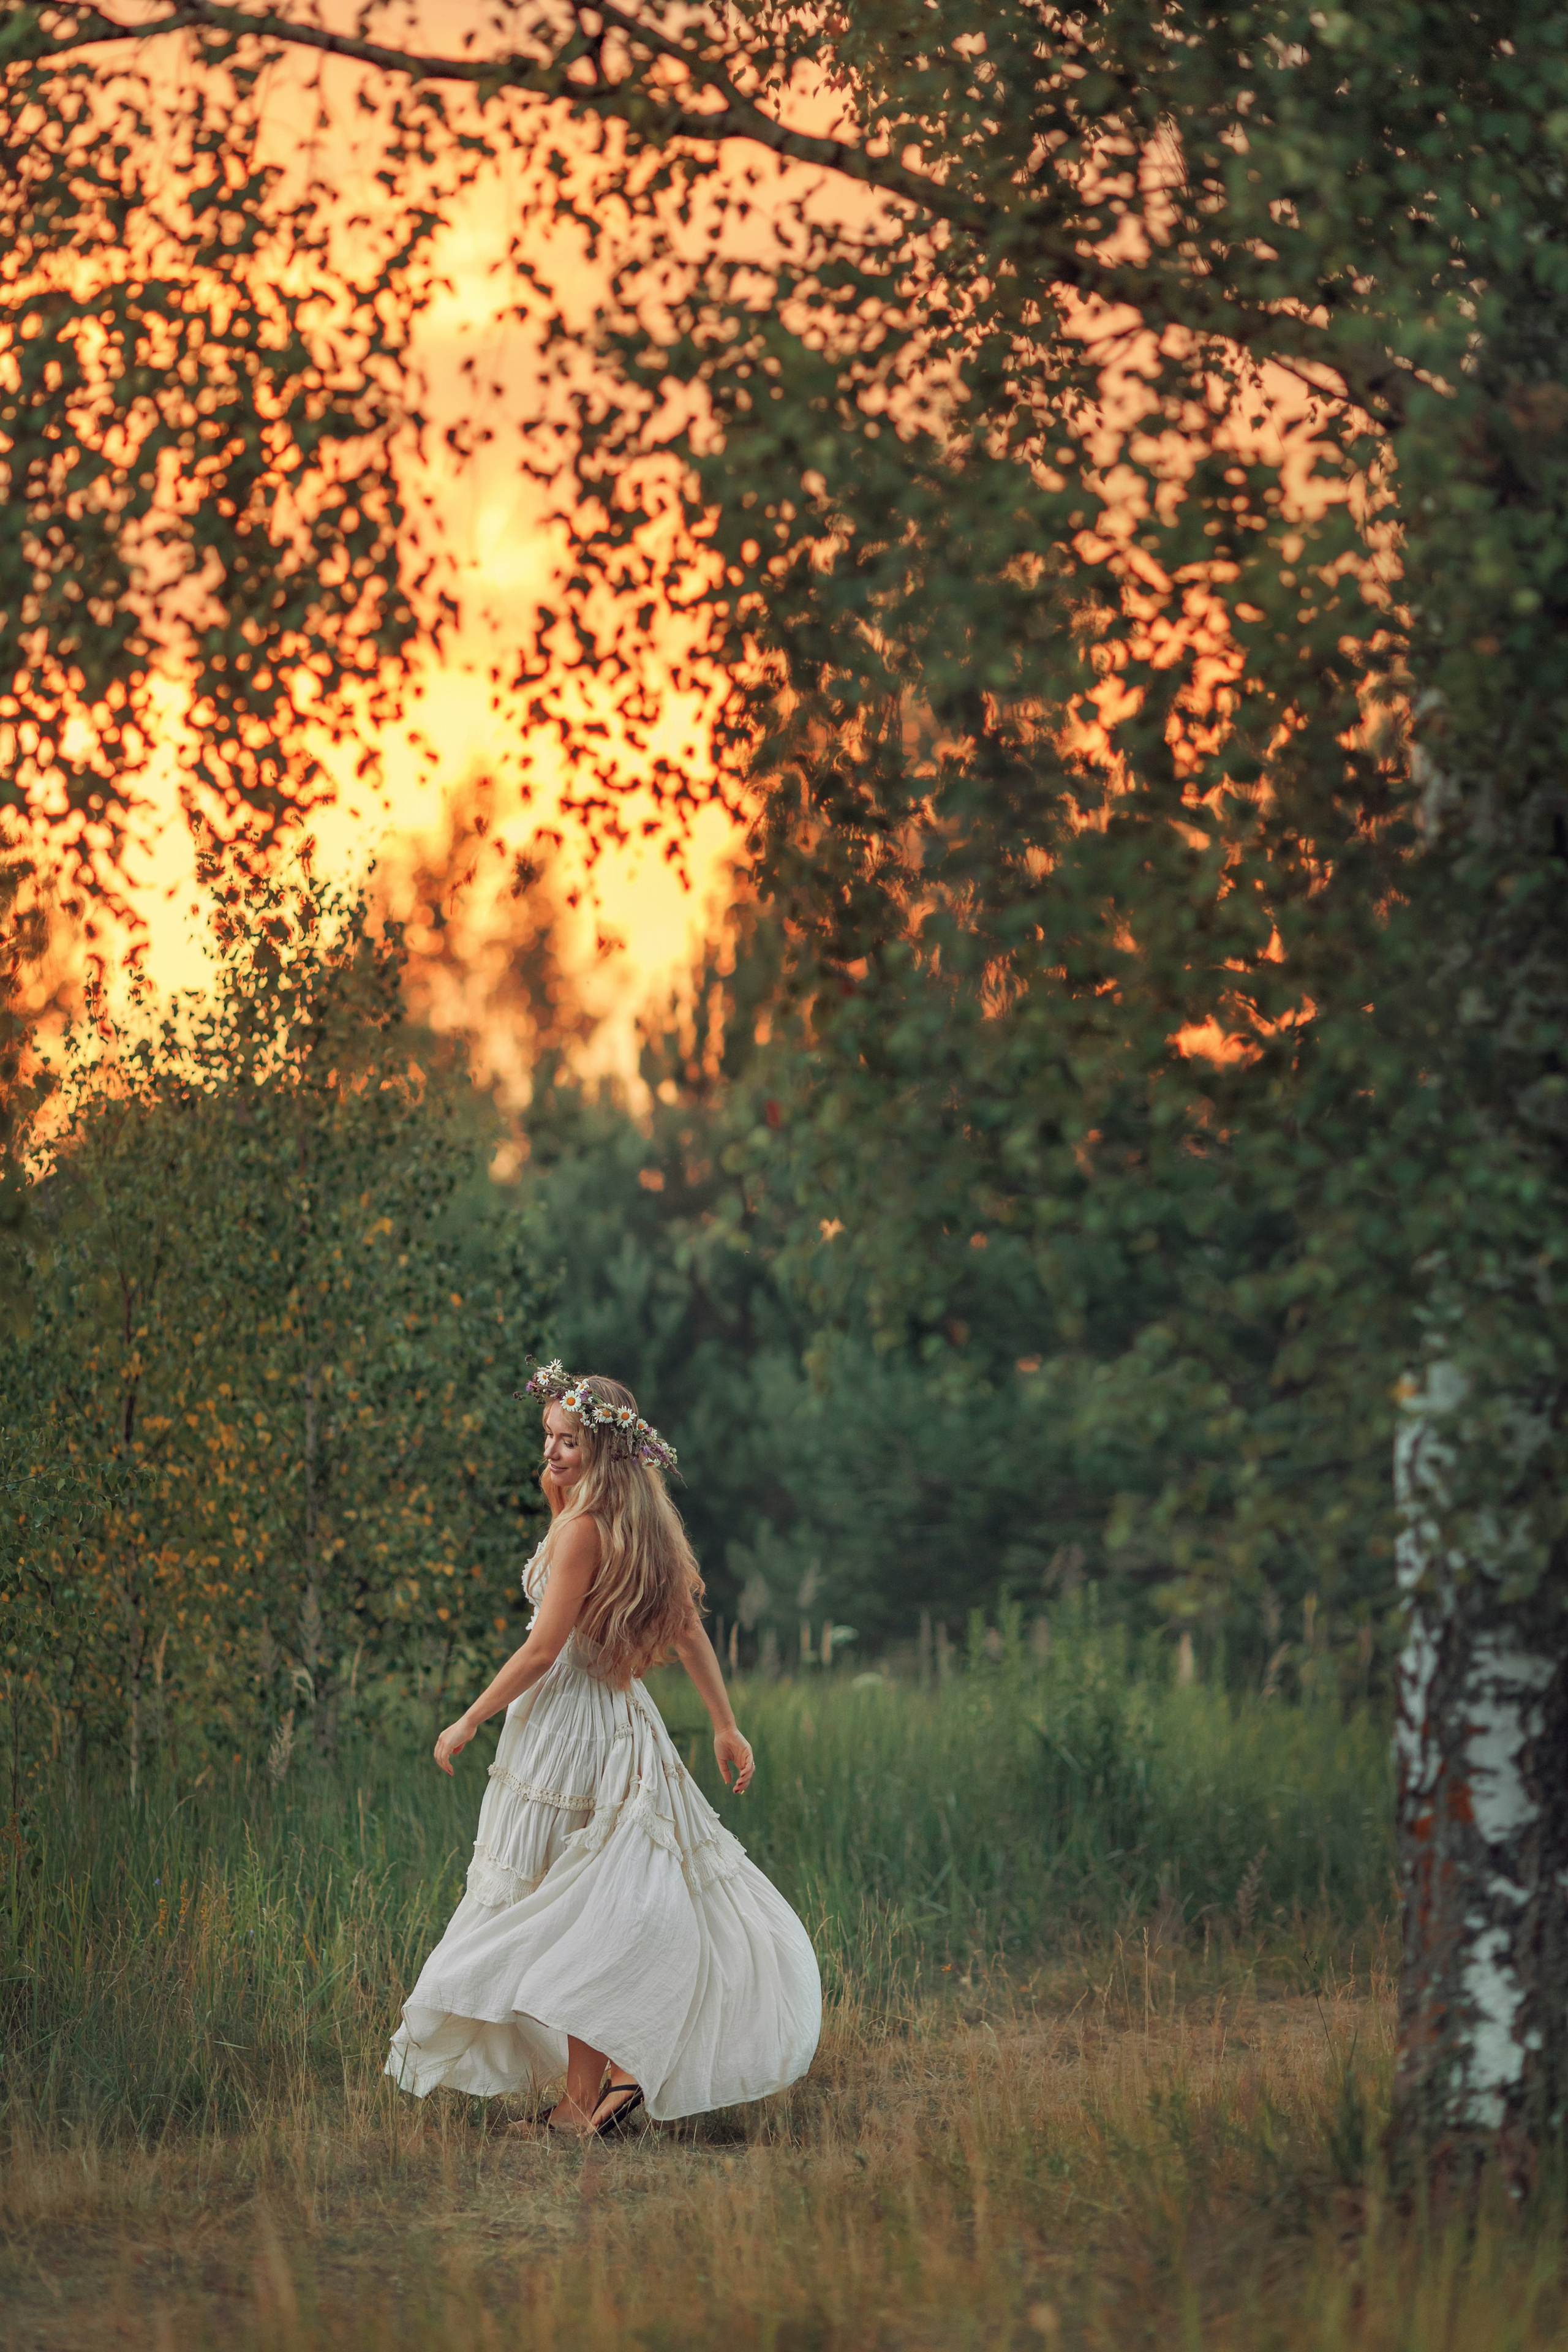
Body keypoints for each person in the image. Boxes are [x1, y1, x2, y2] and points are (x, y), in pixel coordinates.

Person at [385, 1362, 821, 2136]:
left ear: (605, 1450)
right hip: (620, 1723)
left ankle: (594, 2094)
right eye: (548, 1437)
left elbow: (543, 1649)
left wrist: (469, 1719)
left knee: (562, 1907)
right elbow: (688, 1629)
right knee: (580, 1912)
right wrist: (724, 1723)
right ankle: (590, 2099)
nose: (550, 1453)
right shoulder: (632, 1522)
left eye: (567, 1442)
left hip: (567, 1729)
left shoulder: (584, 1530)